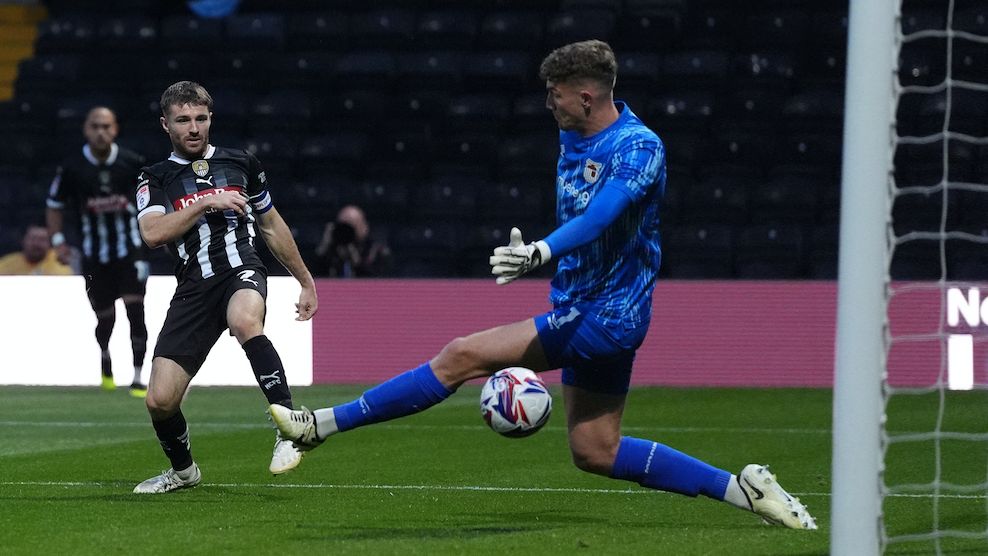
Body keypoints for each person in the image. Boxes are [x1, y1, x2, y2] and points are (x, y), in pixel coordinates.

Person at [270, 40, 817, 530]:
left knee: (462, 355)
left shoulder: (639, 147)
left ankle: (318, 425)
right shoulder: (572, 134)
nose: (547, 104)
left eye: (555, 95)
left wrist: (540, 250)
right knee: (595, 451)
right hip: (581, 305)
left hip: (608, 315)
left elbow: (603, 215)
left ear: (585, 96)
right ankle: (743, 489)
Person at [132, 81, 318, 493]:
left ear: (210, 118)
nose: (194, 128)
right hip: (193, 289)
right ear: (166, 125)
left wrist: (305, 280)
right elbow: (152, 233)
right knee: (159, 401)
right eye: (183, 120)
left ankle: (290, 428)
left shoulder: (241, 164)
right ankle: (184, 472)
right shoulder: (156, 177)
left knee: (245, 319)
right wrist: (203, 203)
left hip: (241, 270)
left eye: (201, 118)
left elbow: (270, 224)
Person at [46, 106, 151, 397]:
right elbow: (54, 205)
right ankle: (105, 355)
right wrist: (58, 242)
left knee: (136, 310)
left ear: (115, 129)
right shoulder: (71, 168)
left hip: (130, 251)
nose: (101, 132)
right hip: (94, 256)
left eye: (106, 126)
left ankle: (139, 376)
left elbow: (152, 200)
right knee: (105, 318)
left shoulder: (132, 163)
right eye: (95, 126)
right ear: (86, 130)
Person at [312, 204, 392, 277]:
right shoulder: (330, 252)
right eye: (343, 227)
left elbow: (377, 280)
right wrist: (324, 246)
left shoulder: (376, 252)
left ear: (364, 226)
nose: (346, 232)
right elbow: (312, 276)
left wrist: (355, 258)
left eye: (351, 226)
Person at [0, 223, 73, 276]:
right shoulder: (7, 263)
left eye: (42, 240)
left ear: (49, 243)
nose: (36, 244)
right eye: (32, 239)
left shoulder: (59, 261)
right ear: (23, 240)